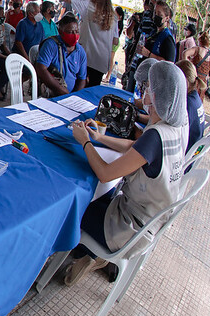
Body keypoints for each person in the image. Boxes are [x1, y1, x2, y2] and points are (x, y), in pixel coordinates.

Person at [65, 61, 188, 284]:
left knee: (72, 207)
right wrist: (99, 138)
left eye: (149, 88)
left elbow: (105, 173)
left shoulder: (154, 136)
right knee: (101, 196)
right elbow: (134, 147)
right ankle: (90, 256)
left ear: (158, 95)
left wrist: (85, 143)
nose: (145, 93)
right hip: (146, 222)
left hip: (128, 230)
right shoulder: (172, 129)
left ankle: (77, 257)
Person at [36, 0, 118, 87]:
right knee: (92, 89)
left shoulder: (89, 6)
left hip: (87, 57)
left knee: (78, 84)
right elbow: (115, 41)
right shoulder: (113, 16)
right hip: (101, 62)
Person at [35, 13, 88, 97]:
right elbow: (41, 68)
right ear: (60, 32)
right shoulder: (51, 45)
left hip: (70, 97)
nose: (74, 35)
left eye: (76, 31)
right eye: (70, 32)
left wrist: (74, 96)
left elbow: (82, 79)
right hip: (51, 94)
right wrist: (61, 90)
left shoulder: (80, 52)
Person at [182, 31, 210, 100]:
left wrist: (187, 67)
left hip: (192, 80)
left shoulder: (197, 49)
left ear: (199, 40)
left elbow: (185, 53)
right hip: (202, 84)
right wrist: (208, 74)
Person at [177, 59, 205, 152]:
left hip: (182, 154)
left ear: (185, 82)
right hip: (191, 150)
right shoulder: (194, 97)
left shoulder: (187, 104)